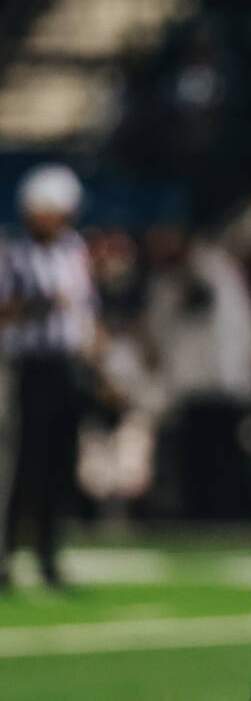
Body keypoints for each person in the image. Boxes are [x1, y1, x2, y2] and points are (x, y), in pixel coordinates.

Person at [0, 163, 99, 589]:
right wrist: (38, 303)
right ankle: (6, 555)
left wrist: (101, 367)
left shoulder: (74, 251)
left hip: (67, 368)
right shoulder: (14, 255)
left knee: (61, 463)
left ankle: (48, 555)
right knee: (24, 464)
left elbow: (86, 315)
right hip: (30, 367)